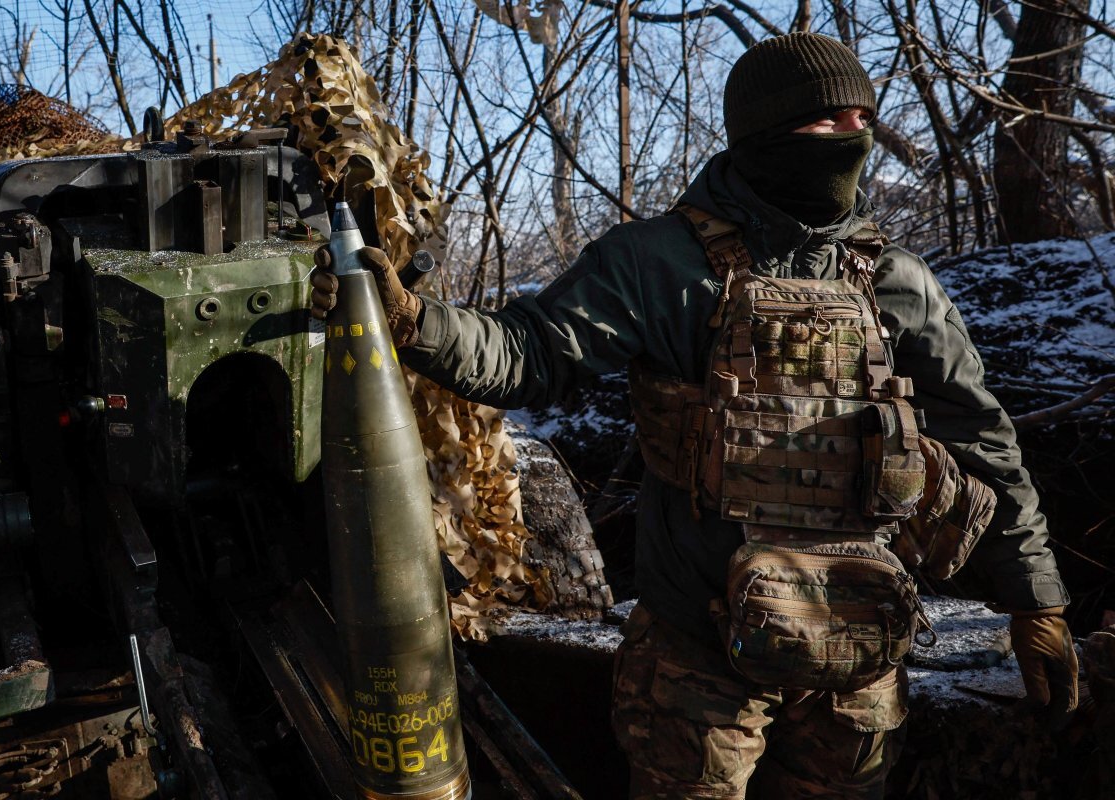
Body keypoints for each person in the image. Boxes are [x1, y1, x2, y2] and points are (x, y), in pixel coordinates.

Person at [311, 31, 1078, 800]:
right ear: (766, 133)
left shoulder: (898, 281)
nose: (855, 136)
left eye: (862, 119)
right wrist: (415, 320)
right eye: (830, 120)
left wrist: (1035, 600)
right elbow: (528, 352)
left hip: (858, 656)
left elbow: (983, 443)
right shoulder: (657, 263)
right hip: (700, 660)